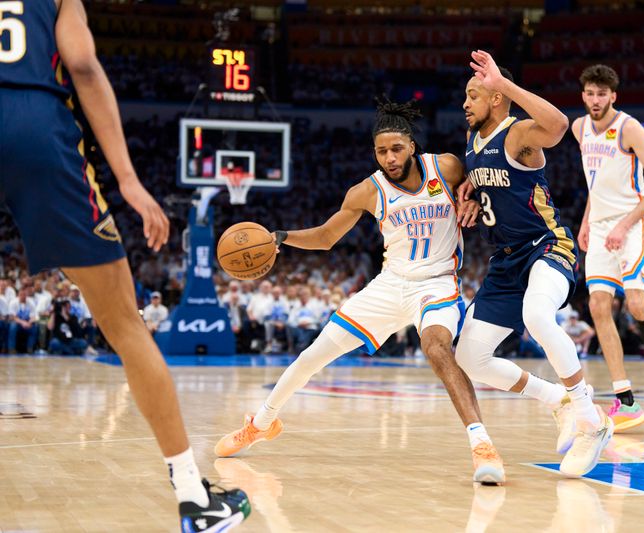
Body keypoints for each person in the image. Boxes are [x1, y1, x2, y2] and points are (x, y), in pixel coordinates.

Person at [0, 0, 249, 529]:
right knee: (124, 326)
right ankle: (193, 498)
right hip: (33, 126)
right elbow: (84, 67)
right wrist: (129, 182)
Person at [216, 99, 509, 484]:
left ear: (412, 146)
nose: (389, 157)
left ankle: (482, 446)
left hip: (437, 282)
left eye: (396, 149)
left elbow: (487, 175)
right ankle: (262, 423)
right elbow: (325, 238)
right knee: (311, 356)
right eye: (381, 151)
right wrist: (280, 238)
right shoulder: (366, 191)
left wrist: (469, 194)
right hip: (390, 285)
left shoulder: (447, 167)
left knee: (437, 347)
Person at [455, 50, 612, 478]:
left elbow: (559, 126)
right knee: (469, 356)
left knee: (537, 315)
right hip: (506, 261)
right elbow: (486, 176)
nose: (465, 103)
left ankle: (590, 420)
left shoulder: (518, 133)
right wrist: (468, 189)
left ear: (497, 98)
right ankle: (555, 400)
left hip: (548, 245)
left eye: (474, 94)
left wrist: (503, 82)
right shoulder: (474, 142)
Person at [573, 64, 644, 432]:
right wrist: (585, 221)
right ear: (583, 95)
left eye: (602, 94)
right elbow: (596, 185)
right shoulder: (579, 129)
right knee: (597, 304)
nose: (595, 100)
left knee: (637, 302)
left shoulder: (628, 128)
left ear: (613, 96)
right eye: (590, 93)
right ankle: (625, 401)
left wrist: (624, 225)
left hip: (633, 222)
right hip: (600, 225)